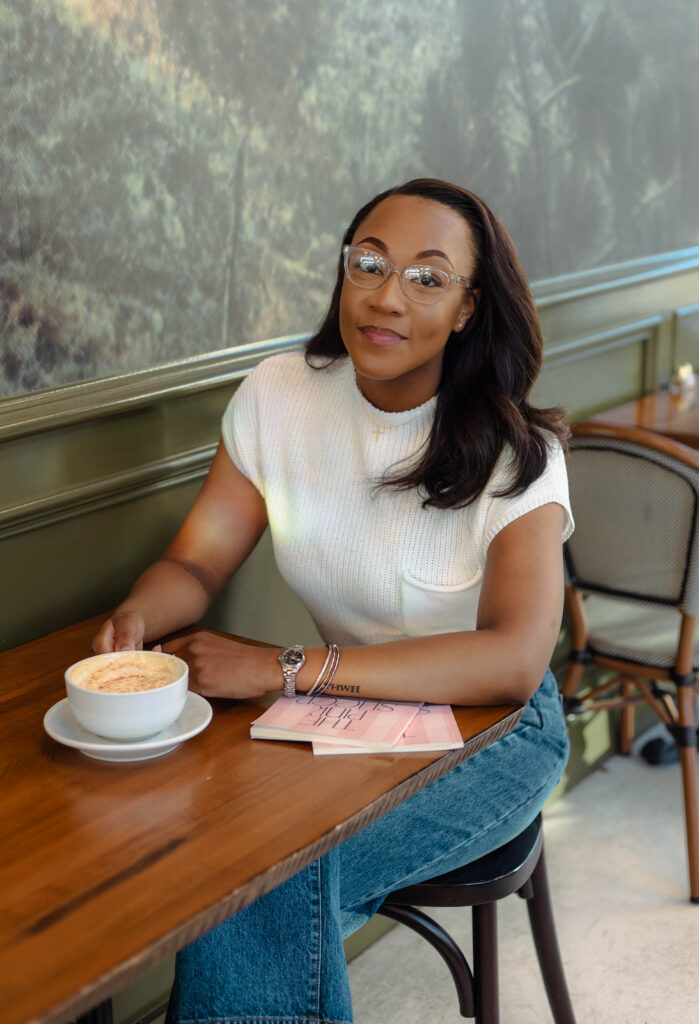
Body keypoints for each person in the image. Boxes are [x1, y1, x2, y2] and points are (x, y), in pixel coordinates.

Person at [93, 178, 573, 1024]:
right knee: (230, 855)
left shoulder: (517, 452)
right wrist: (140, 616)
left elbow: (510, 661)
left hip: (493, 732)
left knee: (269, 872)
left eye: (427, 278)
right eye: (369, 264)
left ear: (467, 307)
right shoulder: (280, 395)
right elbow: (195, 563)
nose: (386, 296)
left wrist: (283, 669)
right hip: (347, 716)